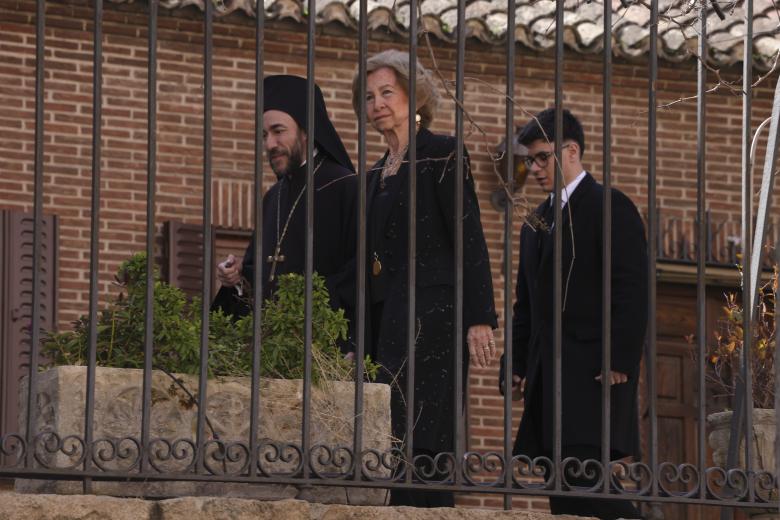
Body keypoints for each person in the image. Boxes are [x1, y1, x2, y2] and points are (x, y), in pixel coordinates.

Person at [352, 50, 498, 508]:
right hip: (386, 326)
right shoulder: (374, 175)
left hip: (434, 322)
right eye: (369, 96)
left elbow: (468, 236)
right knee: (390, 439)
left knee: (426, 442)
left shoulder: (442, 152)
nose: (377, 103)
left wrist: (479, 317)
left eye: (387, 92)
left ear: (414, 96)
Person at [500, 108, 647, 519]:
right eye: (530, 160)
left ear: (571, 151)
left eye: (542, 157)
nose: (534, 168)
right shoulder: (535, 223)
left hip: (594, 372)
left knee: (587, 483)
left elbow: (632, 289)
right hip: (547, 376)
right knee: (562, 490)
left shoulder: (609, 205)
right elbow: (525, 305)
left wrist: (619, 358)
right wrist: (516, 363)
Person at [212, 75, 357, 333]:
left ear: (307, 131)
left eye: (279, 132)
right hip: (272, 343)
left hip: (324, 340)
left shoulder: (345, 186)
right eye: (264, 135)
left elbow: (356, 276)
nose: (270, 144)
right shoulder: (273, 197)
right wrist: (238, 277)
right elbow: (260, 278)